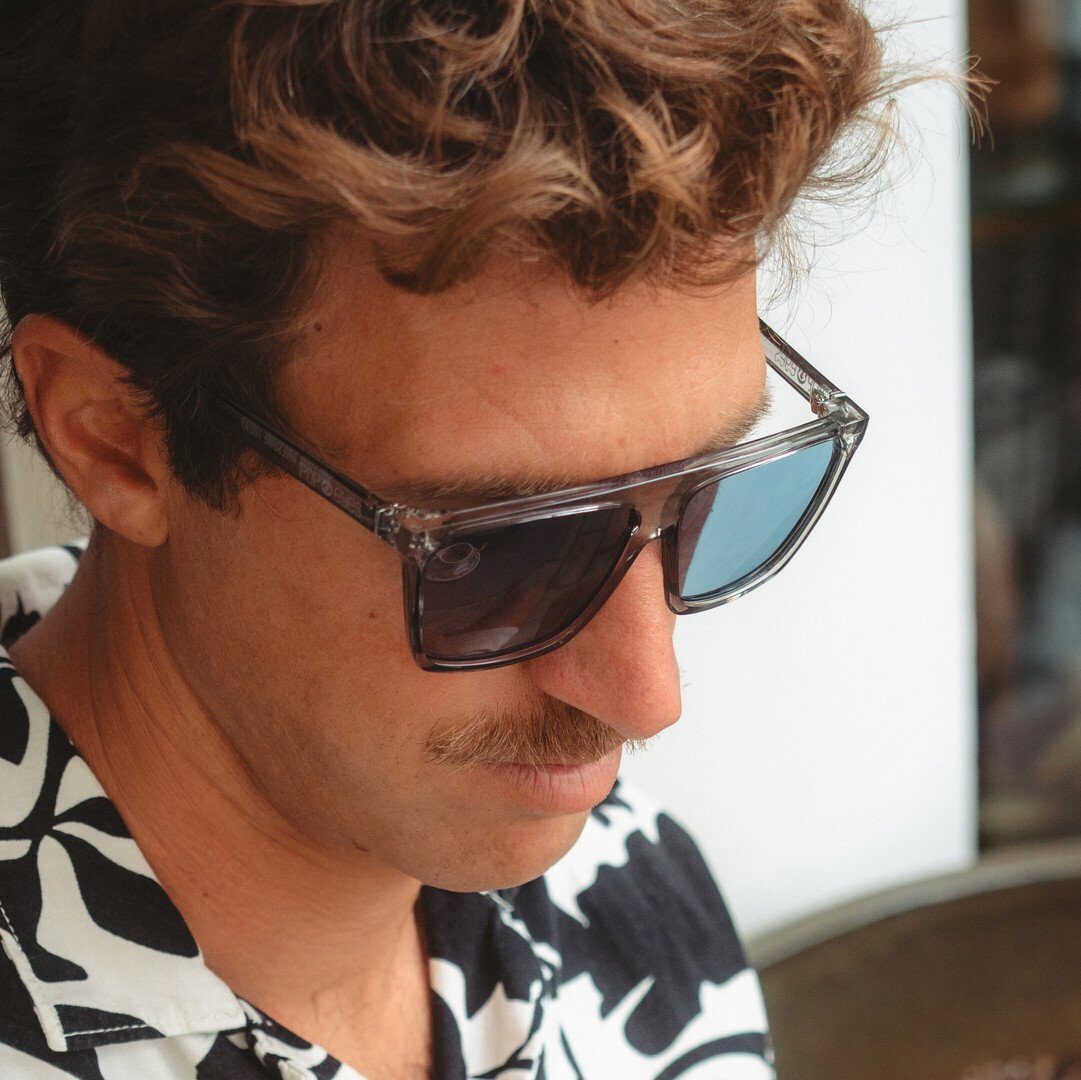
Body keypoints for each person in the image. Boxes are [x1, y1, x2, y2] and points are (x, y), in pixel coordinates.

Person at [0, 2, 888, 1077]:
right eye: (498, 547)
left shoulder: (624, 887)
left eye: (703, 495)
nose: (647, 696)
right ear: (114, 440)